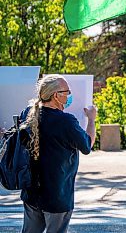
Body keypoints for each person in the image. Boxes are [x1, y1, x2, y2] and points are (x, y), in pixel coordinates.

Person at [21, 74, 96, 233]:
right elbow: (87, 146)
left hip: (31, 192)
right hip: (58, 194)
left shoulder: (28, 114)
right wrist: (91, 120)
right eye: (67, 92)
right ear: (56, 95)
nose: (69, 95)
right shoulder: (66, 121)